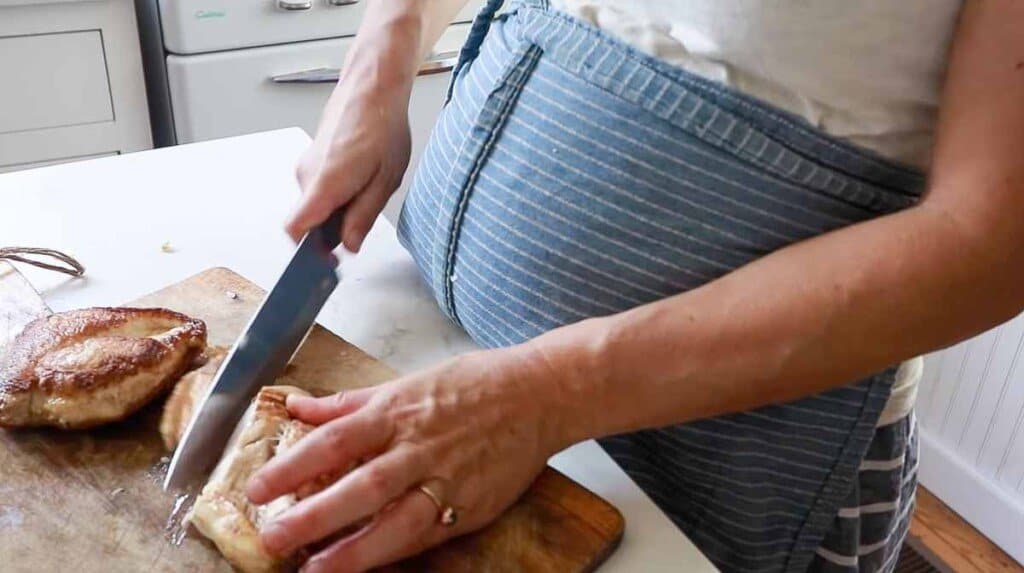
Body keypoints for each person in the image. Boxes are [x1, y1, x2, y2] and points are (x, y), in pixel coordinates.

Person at [244, 1, 1024, 571]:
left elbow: (992, 244)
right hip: (438, 359)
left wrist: (545, 394)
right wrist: (379, 58)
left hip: (725, 464)